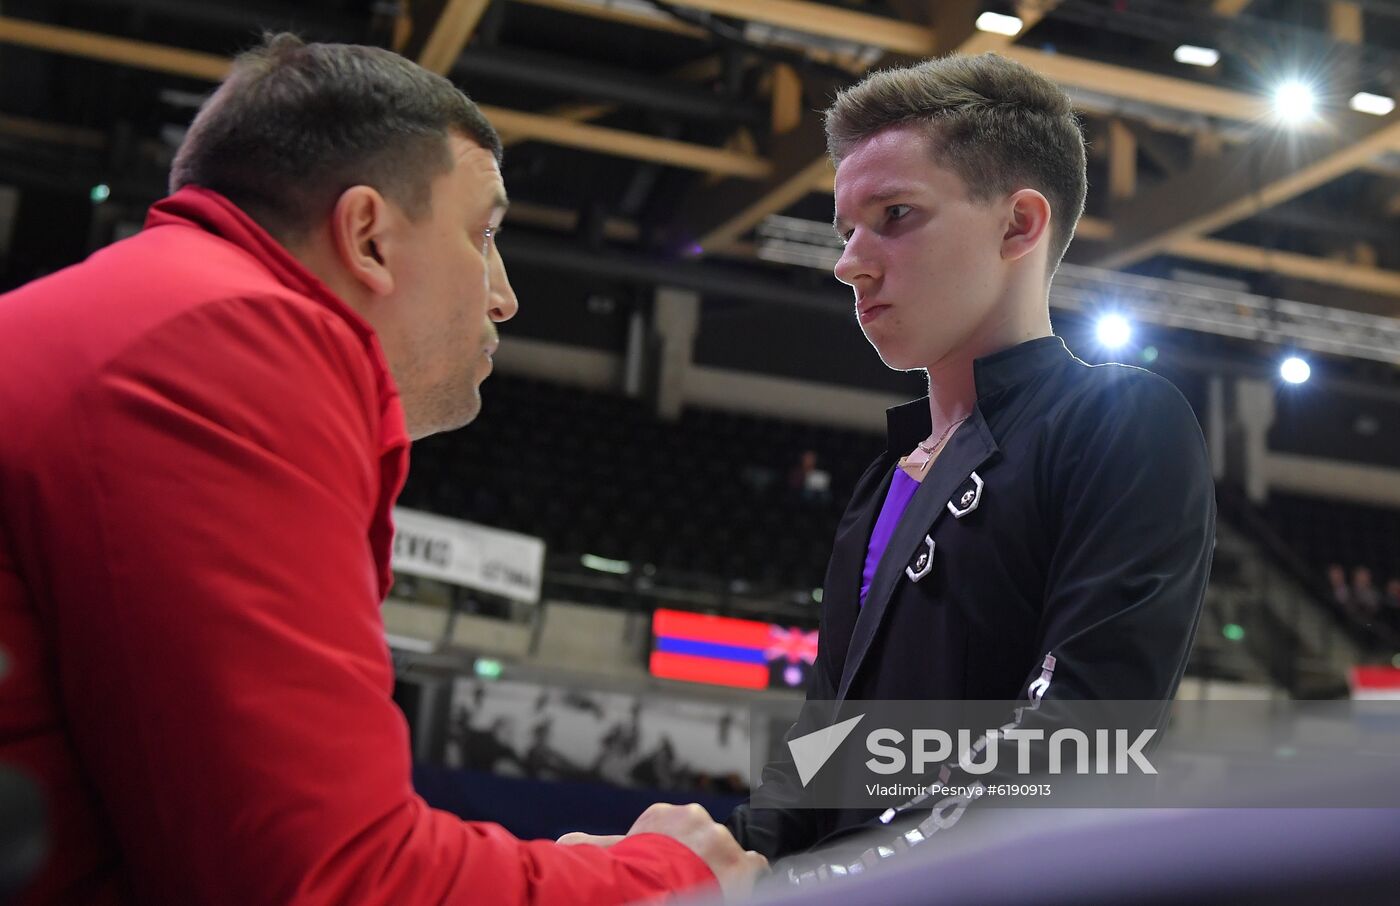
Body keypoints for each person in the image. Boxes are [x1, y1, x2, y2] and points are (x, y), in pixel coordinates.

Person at [0, 34, 763, 904]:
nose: (504, 295)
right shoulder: (229, 344)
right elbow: (338, 883)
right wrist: (671, 875)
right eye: (485, 236)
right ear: (366, 235)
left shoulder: (156, 310)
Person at [725, 53, 1215, 874]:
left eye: (895, 215)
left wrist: (838, 878)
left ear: (1019, 224)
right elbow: (828, 738)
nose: (850, 261)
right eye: (847, 229)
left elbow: (1079, 734)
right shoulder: (883, 482)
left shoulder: (1118, 419)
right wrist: (730, 858)